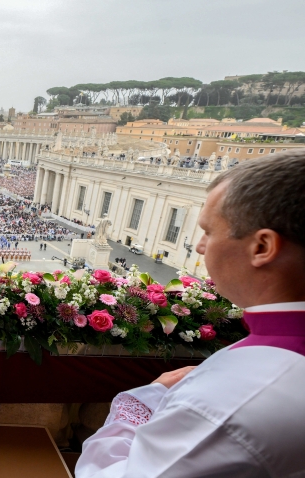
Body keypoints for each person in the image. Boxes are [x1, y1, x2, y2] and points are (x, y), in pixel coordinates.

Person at [76, 150, 305, 477]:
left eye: (209, 232)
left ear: (262, 248)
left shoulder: (232, 401)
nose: (199, 246)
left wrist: (138, 406)